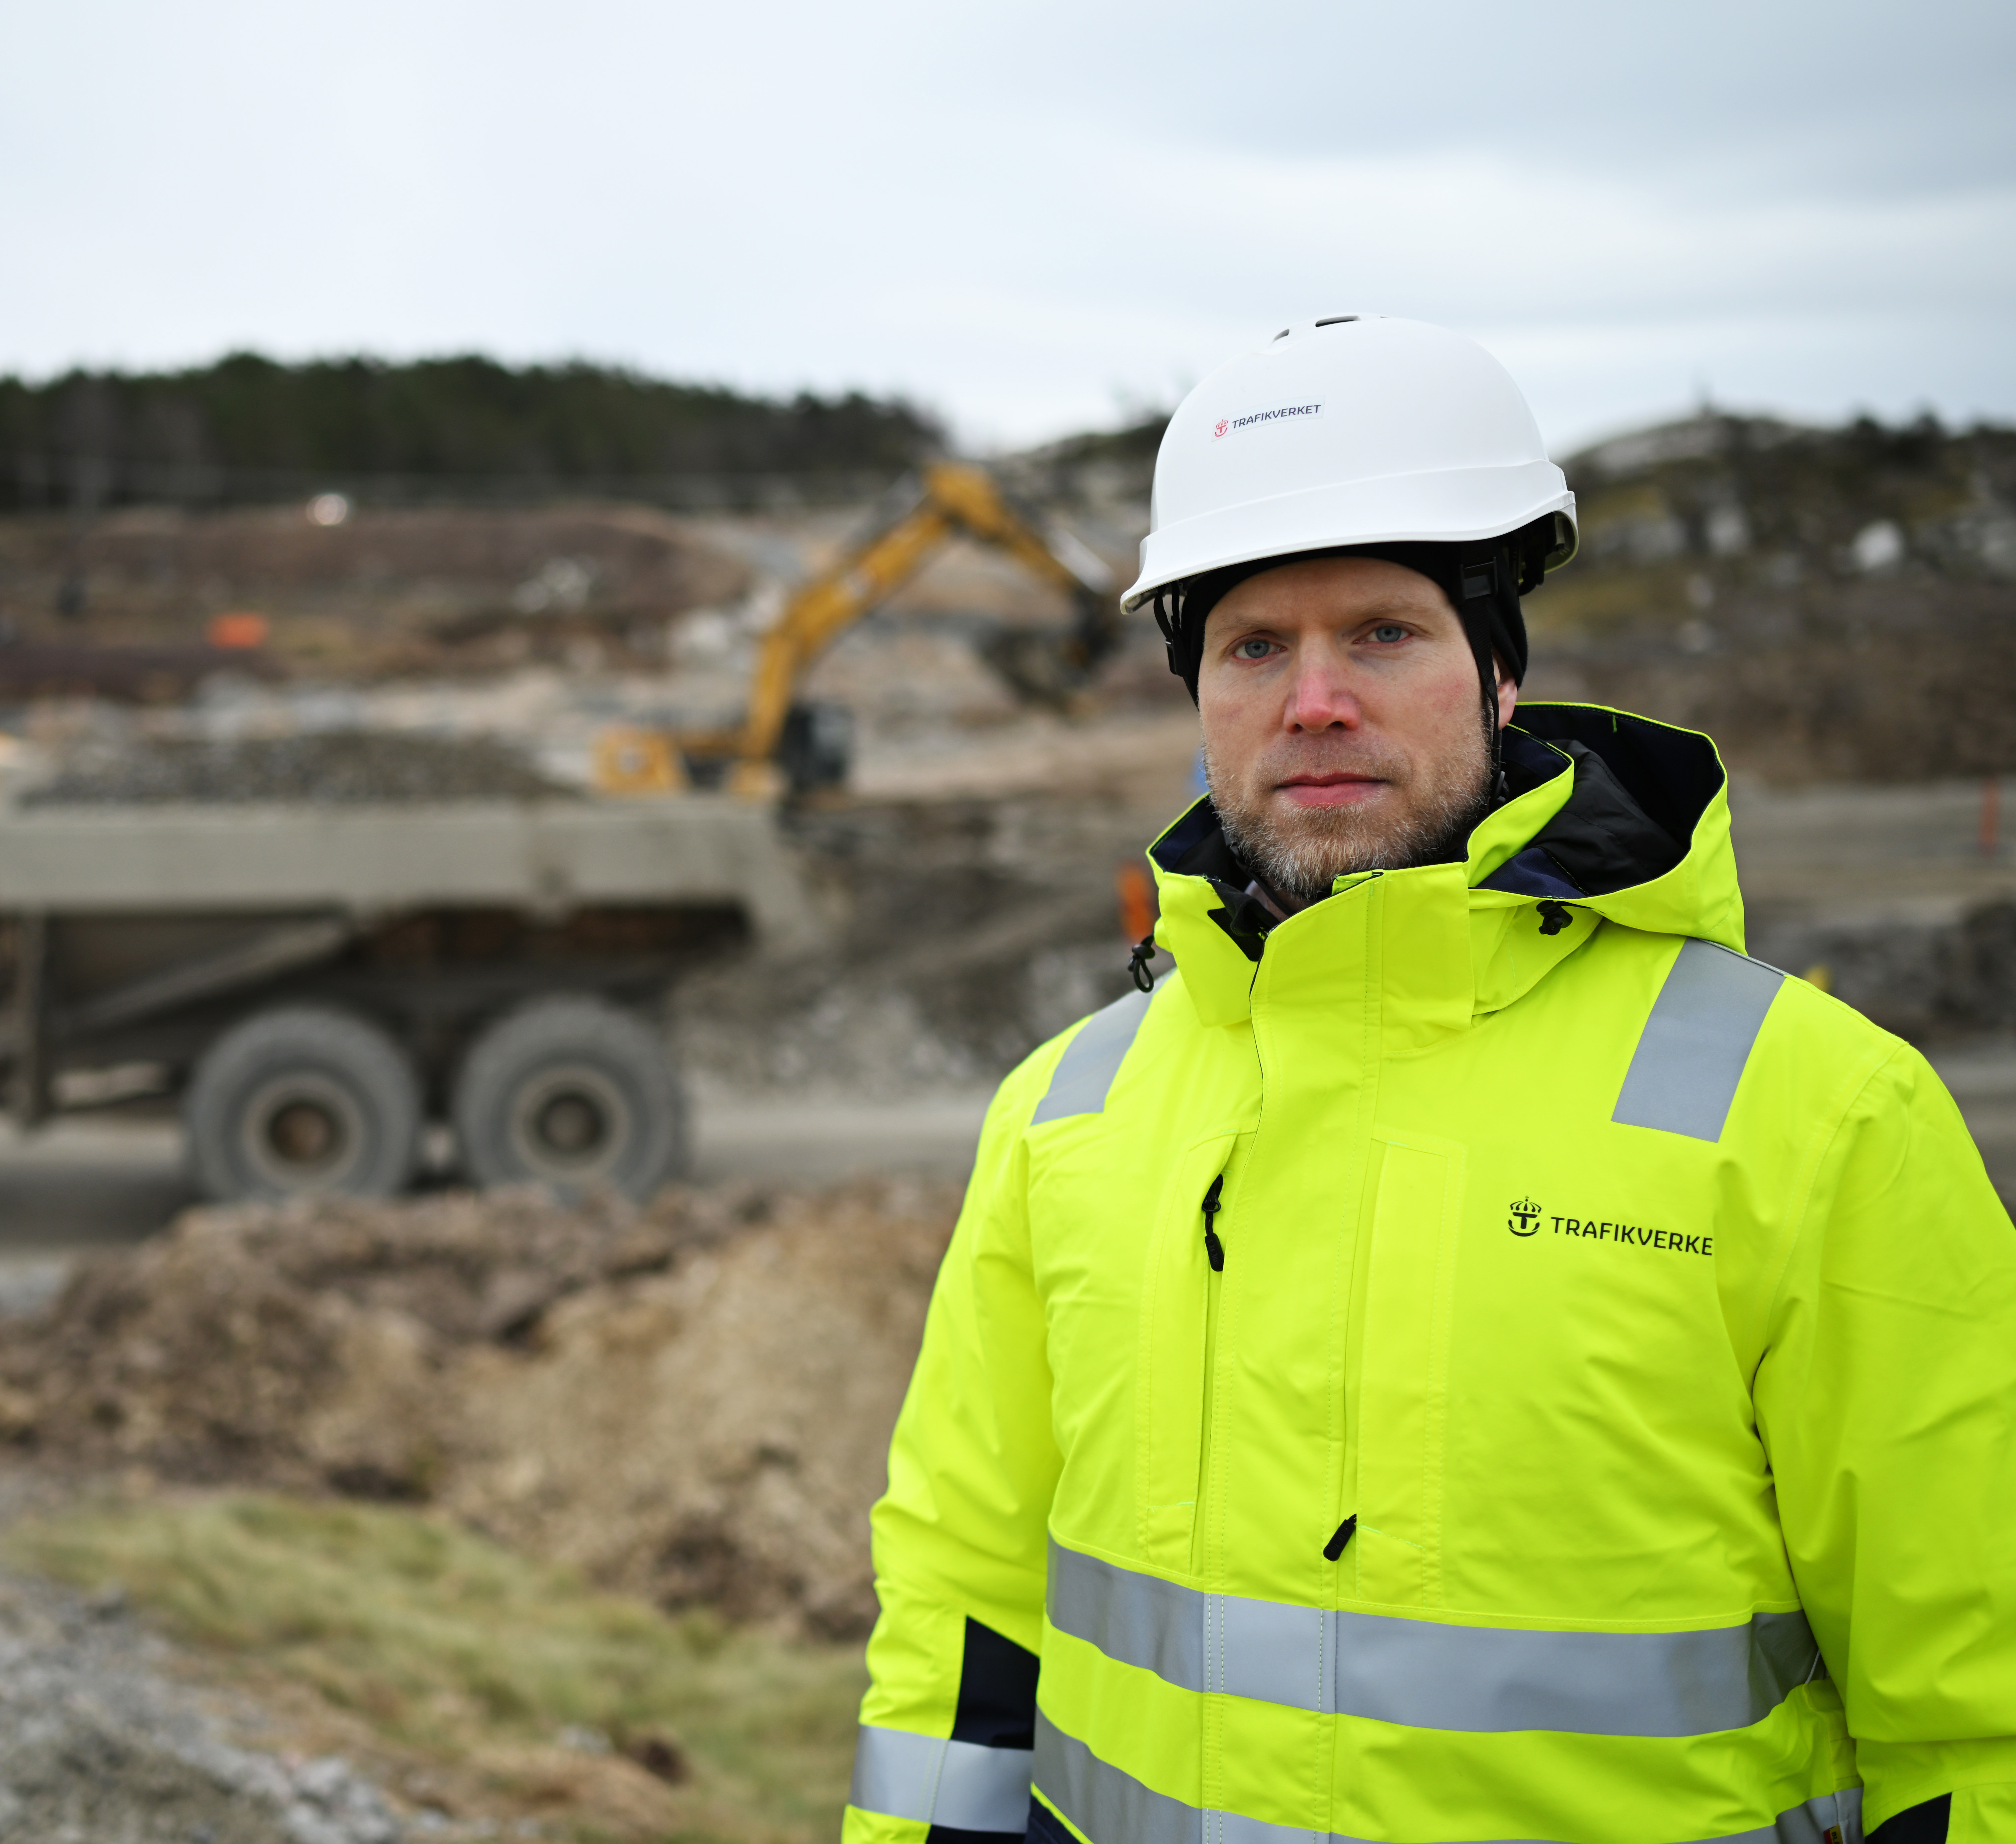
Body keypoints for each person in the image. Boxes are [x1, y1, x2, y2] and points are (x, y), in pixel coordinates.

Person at [844, 316, 2016, 1844]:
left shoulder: (1821, 1114)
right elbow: (964, 1607)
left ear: (1500, 674)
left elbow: (1975, 1712)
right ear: (1198, 701)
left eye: (1385, 633)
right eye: (1254, 647)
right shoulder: (1065, 1113)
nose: (1314, 699)